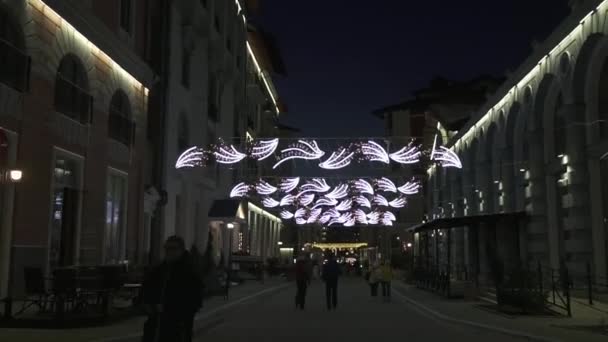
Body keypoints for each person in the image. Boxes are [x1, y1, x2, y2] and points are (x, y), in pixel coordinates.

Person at [142, 236, 203, 342]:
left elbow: (195, 300)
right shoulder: (158, 270)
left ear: (181, 250)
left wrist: (171, 309)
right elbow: (146, 291)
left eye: (173, 249)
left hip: (178, 327)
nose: (169, 252)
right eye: (167, 248)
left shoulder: (189, 273)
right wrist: (150, 306)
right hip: (155, 325)